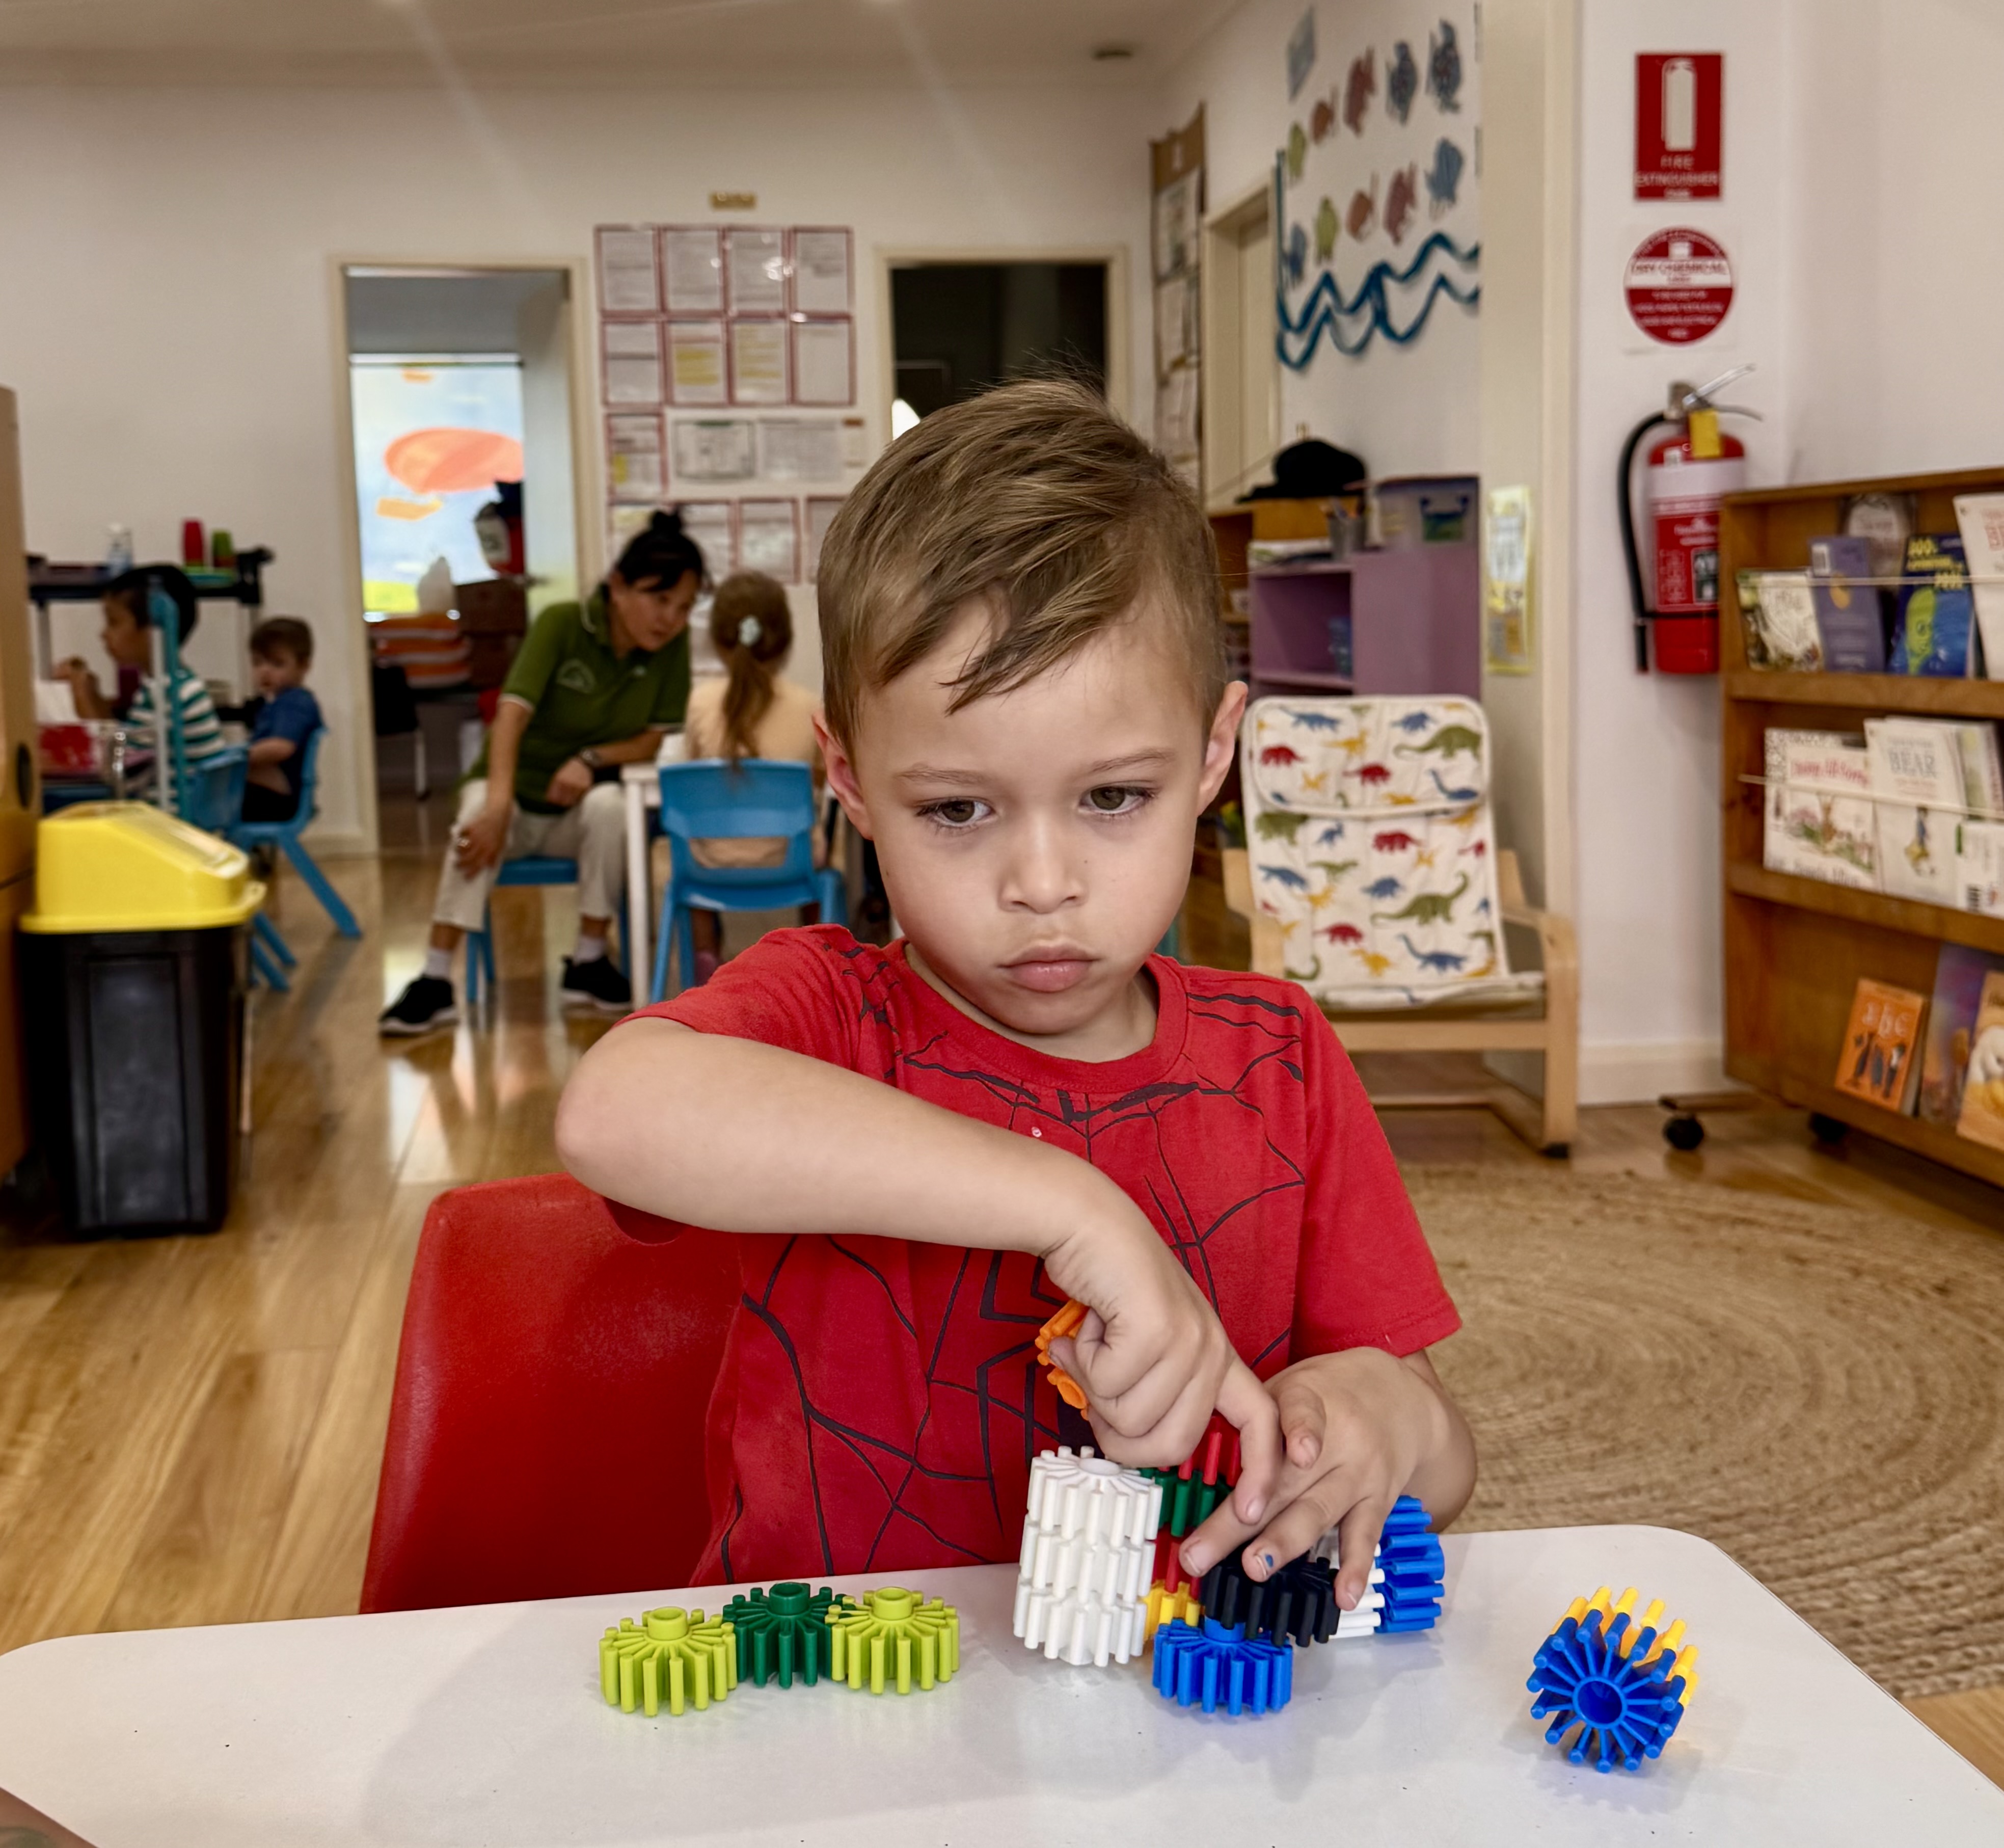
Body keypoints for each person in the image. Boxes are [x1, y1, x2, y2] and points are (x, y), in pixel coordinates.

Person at [557, 382, 1475, 1602]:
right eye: (955, 809)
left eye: (1111, 798)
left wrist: (1385, 1419)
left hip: (1182, 1725)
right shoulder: (830, 1018)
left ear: (1213, 755)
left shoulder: (1284, 1063)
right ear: (850, 776)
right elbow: (612, 1112)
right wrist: (1074, 1206)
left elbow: (1447, 1465)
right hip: (832, 1715)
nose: (1043, 884)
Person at [378, 512, 702, 1035]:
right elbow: (511, 714)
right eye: (659, 599)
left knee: (611, 807)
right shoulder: (561, 623)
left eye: (684, 607)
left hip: (576, 812)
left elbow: (649, 738)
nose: (669, 619)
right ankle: (436, 979)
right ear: (617, 585)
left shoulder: (671, 648)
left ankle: (589, 962)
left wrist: (590, 759)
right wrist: (501, 801)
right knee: (479, 812)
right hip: (515, 790)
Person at [679, 571, 826, 983]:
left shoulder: (700, 703)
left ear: (716, 639)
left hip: (711, 862)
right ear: (786, 638)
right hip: (790, 860)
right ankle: (812, 956)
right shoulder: (808, 707)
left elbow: (694, 779)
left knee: (693, 844)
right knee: (819, 844)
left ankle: (706, 953)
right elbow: (819, 784)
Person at [56, 565, 227, 769]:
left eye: (114, 623)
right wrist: (94, 699)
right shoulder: (177, 685)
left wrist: (83, 701)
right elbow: (123, 742)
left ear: (153, 631)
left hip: (164, 801)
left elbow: (119, 771)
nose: (103, 634)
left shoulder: (164, 695)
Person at [241, 617, 322, 823]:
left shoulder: (293, 703)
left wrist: (240, 757)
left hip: (276, 800)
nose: (265, 671)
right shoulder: (280, 703)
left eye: (277, 664)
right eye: (258, 663)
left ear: (303, 666)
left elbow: (281, 747)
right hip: (277, 797)